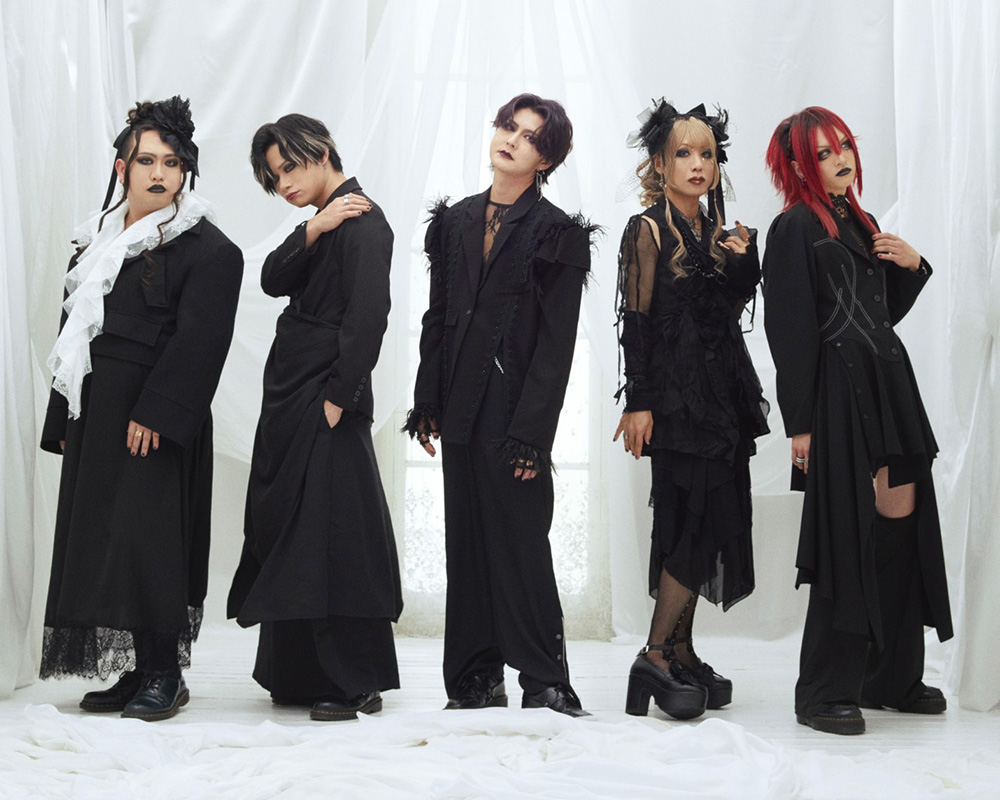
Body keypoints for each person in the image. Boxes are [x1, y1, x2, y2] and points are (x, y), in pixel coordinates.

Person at [40, 97, 243, 721]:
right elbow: (72, 336)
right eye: (147, 161)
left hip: (152, 415)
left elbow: (202, 341)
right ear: (122, 167)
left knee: (149, 537)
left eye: (172, 163)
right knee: (107, 537)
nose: (160, 173)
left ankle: (165, 673)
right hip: (97, 410)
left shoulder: (209, 249)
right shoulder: (94, 242)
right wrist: (62, 418)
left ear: (186, 172)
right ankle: (133, 671)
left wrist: (158, 412)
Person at [762, 107, 953, 735]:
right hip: (836, 392)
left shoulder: (859, 219)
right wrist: (800, 424)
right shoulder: (793, 226)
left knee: (900, 524)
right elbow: (789, 328)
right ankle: (823, 691)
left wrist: (913, 266)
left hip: (889, 383)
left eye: (843, 145)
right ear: (799, 167)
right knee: (846, 533)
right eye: (822, 153)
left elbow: (878, 314)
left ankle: (889, 677)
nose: (840, 157)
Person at [404, 93, 595, 717]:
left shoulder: (559, 233)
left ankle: (544, 679)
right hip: (458, 400)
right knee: (466, 541)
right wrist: (426, 401)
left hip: (515, 412)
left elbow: (557, 346)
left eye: (530, 136)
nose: (511, 139)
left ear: (547, 159)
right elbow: (437, 316)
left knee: (521, 542)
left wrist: (531, 437)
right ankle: (475, 678)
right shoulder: (454, 221)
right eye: (508, 126)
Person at [228, 114, 401, 722]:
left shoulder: (367, 222)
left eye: (290, 168)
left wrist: (339, 396)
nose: (284, 184)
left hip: (328, 391)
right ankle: (299, 671)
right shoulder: (325, 221)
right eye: (275, 178)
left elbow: (369, 317)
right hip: (291, 387)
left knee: (338, 529)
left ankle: (355, 680)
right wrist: (313, 226)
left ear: (322, 151)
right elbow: (271, 279)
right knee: (295, 526)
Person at [613, 100, 769, 721]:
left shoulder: (716, 230)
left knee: (708, 517)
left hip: (721, 395)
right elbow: (636, 321)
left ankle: (680, 649)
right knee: (693, 517)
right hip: (676, 401)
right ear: (660, 164)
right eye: (684, 153)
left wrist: (744, 263)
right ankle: (655, 654)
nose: (698, 164)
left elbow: (725, 314)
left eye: (707, 154)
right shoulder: (647, 229)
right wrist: (639, 402)